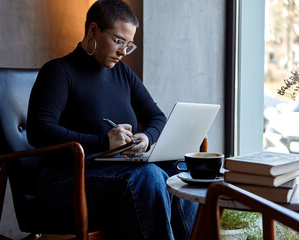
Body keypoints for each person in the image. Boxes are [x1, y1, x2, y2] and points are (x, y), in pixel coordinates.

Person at [26, 0, 197, 239]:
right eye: (118, 41)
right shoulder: (59, 71)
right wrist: (104, 142)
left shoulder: (123, 73)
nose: (123, 52)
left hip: (116, 170)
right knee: (148, 176)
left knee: (181, 169)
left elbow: (156, 117)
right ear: (93, 30)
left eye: (129, 45)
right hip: (65, 177)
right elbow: (38, 130)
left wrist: (146, 138)